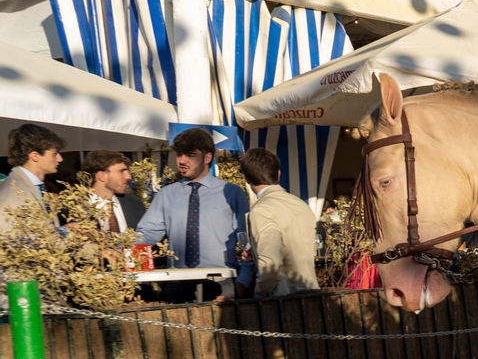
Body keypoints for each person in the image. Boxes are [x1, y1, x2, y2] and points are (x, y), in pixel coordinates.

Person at [137, 126, 250, 301]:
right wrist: (119, 251)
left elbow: (248, 242)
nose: (182, 161)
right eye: (179, 154)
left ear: (207, 157)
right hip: (176, 283)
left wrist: (243, 282)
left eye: (190, 155)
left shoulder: (231, 193)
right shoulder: (166, 195)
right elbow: (145, 235)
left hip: (220, 283)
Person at [240, 148, 318, 298]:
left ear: (247, 179)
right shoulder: (300, 204)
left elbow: (270, 263)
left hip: (282, 297)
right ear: (278, 173)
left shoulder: (262, 210)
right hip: (310, 291)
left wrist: (259, 293)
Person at [0, 123, 64, 233]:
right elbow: (9, 238)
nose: (60, 159)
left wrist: (65, 230)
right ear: (35, 156)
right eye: (54, 154)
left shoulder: (35, 186)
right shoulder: (13, 191)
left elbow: (46, 233)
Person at [82, 149, 145, 234]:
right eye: (121, 171)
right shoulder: (78, 209)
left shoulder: (134, 203)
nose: (128, 177)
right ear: (102, 176)